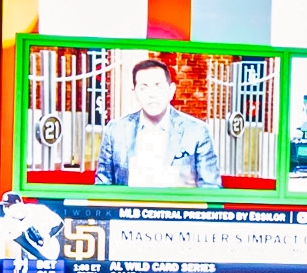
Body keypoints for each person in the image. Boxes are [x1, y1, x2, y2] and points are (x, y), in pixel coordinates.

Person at [96, 68, 226, 191]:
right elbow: (102, 187)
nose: (152, 94)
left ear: (171, 90)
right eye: (143, 88)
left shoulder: (197, 131)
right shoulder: (116, 130)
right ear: (134, 92)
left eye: (158, 86)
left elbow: (211, 189)